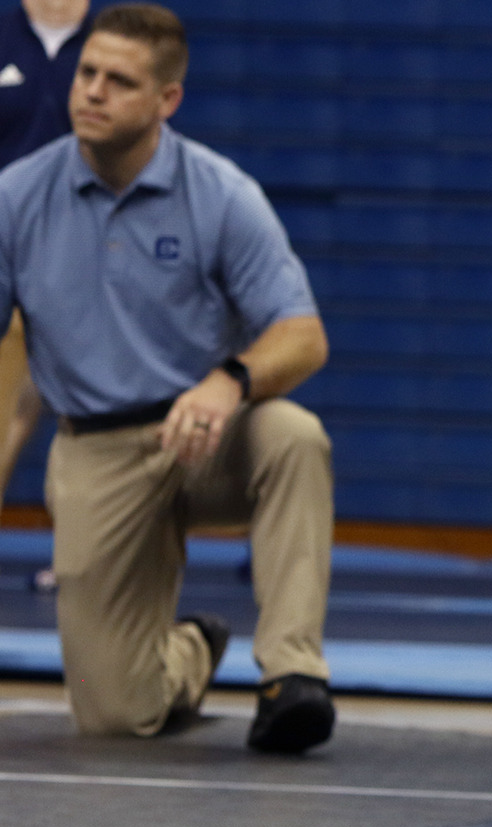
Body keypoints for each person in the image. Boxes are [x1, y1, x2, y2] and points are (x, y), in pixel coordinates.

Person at [0, 3, 335, 751]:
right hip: (97, 449)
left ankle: (291, 674)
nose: (91, 92)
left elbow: (304, 336)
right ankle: (191, 649)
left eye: (118, 81)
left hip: (205, 434)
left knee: (294, 437)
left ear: (166, 101)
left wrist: (229, 381)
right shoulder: (17, 199)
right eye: (87, 72)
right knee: (117, 717)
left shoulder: (221, 193)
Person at [0, 0, 90, 515]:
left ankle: (82, 548)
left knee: (83, 402)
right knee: (11, 401)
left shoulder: (106, 46)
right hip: (7, 250)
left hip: (89, 249)